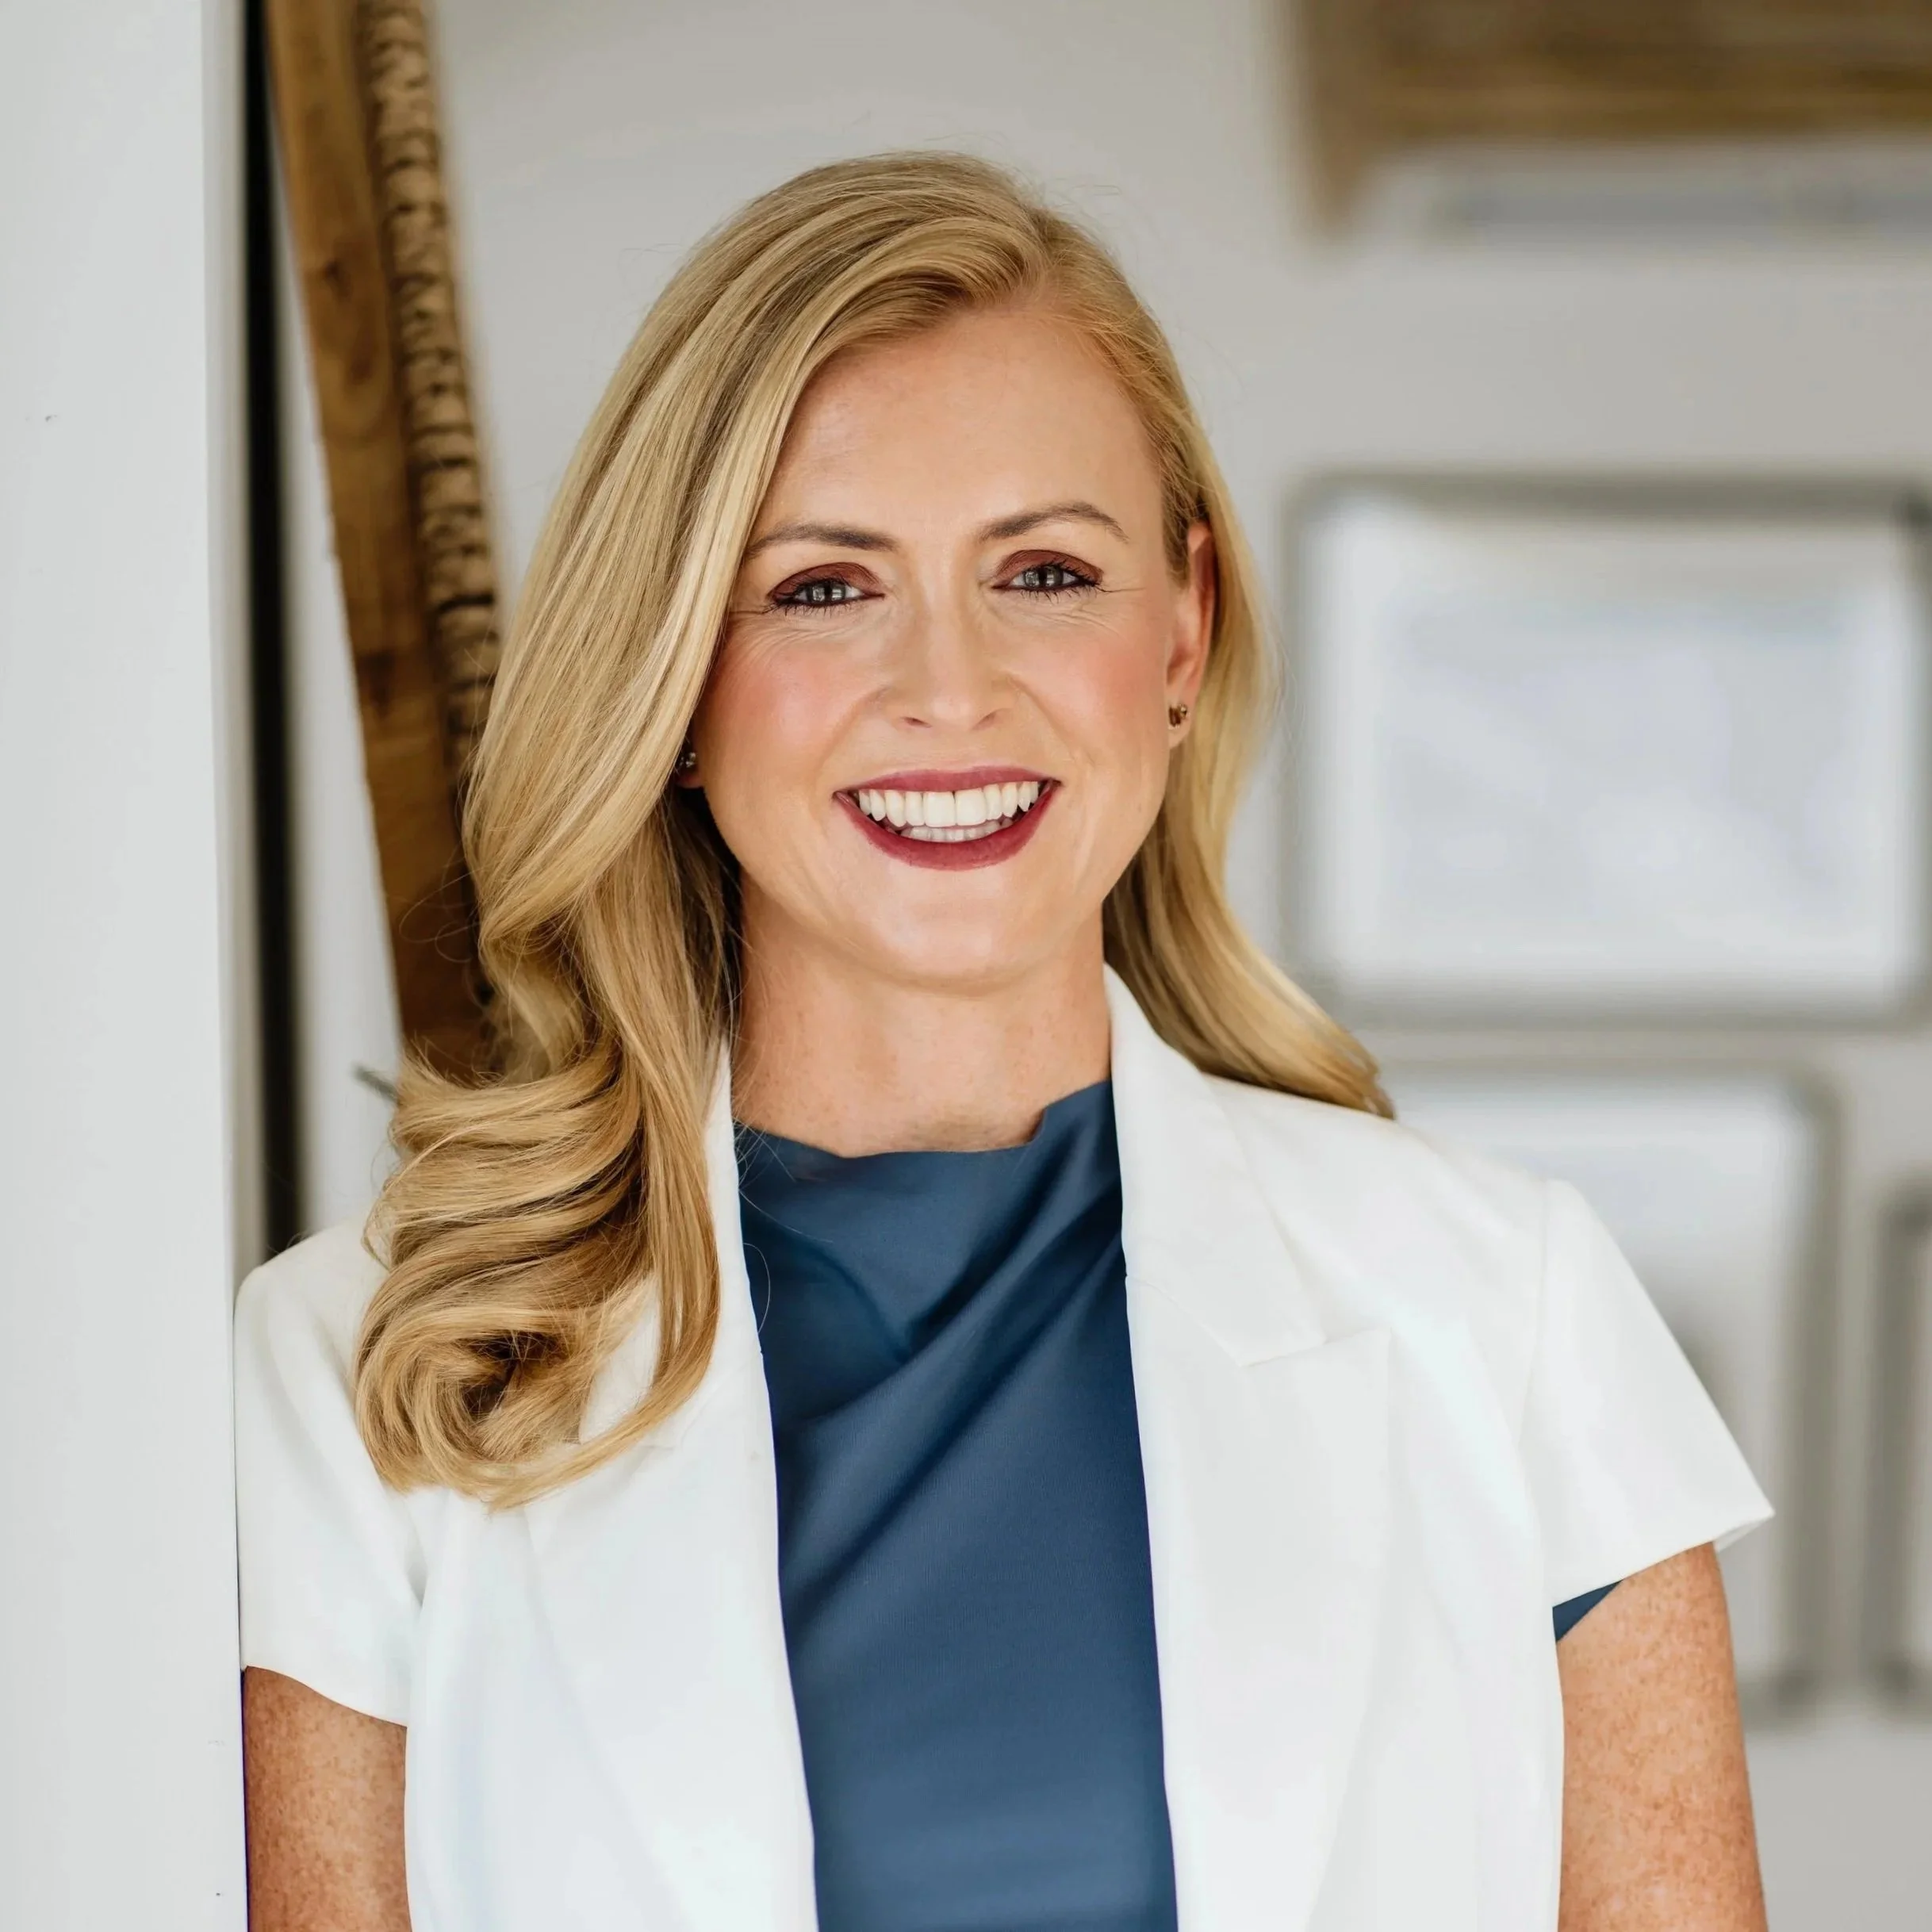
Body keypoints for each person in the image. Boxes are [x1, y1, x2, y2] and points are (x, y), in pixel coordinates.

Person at [236, 152, 1773, 1932]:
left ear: (1182, 631)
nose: (950, 690)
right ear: (678, 675)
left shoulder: (1509, 1316)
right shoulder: (369, 1373)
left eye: (1044, 571)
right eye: (825, 588)